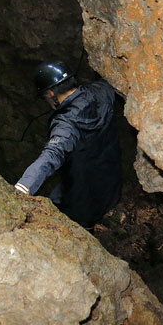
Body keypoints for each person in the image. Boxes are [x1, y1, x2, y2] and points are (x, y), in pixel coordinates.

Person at [14, 60, 122, 228]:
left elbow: (51, 155)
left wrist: (23, 186)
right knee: (56, 197)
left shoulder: (66, 124)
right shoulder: (102, 91)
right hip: (111, 178)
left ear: (50, 93)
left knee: (73, 217)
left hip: (83, 192)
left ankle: (87, 231)